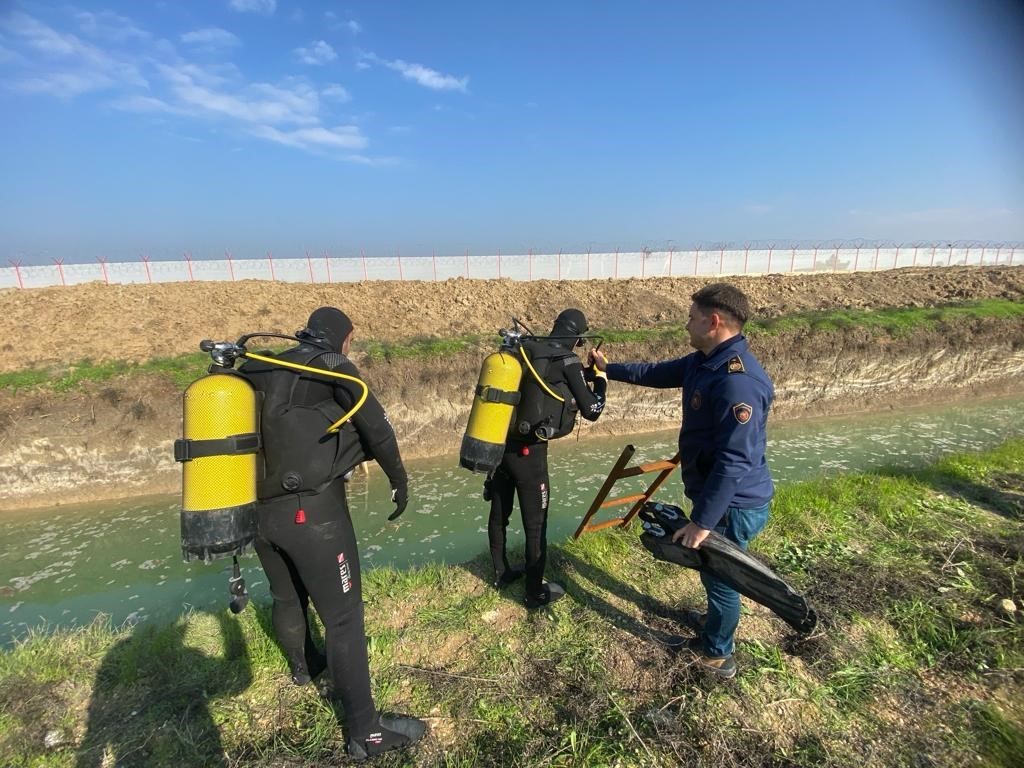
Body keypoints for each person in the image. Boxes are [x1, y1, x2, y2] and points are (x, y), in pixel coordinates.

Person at [239, 307, 425, 760]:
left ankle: (305, 669)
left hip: (257, 513)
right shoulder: (331, 365)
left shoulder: (262, 367)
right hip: (312, 514)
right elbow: (376, 429)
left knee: (286, 597)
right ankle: (365, 732)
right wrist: (398, 479)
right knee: (343, 618)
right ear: (342, 337)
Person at [590, 283, 774, 679]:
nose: (685, 324)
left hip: (733, 503)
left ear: (714, 321)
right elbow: (655, 373)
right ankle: (714, 624)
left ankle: (718, 655)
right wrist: (608, 369)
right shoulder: (704, 361)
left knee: (722, 578)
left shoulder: (736, 382)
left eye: (691, 317)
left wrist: (703, 523)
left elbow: (734, 460)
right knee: (715, 576)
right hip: (719, 496)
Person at [487, 308, 607, 608]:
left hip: (502, 446)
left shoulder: (524, 349)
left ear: (555, 326)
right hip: (531, 456)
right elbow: (592, 409)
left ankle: (501, 574)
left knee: (499, 512)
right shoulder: (567, 361)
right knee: (535, 525)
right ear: (579, 337)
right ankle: (534, 593)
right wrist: (601, 377)